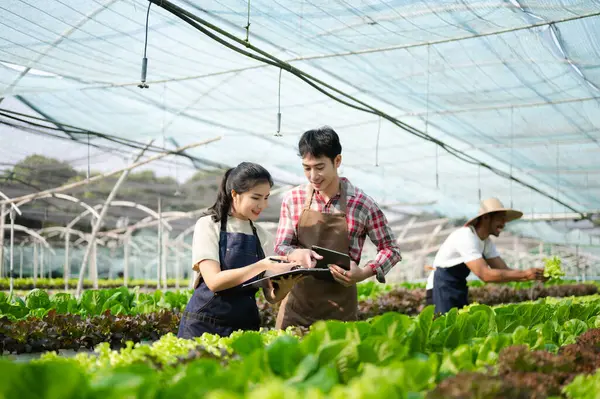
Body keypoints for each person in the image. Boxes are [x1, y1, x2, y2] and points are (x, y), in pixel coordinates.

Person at [273, 126, 403, 329]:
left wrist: (365, 272)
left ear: (337, 161)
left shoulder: (361, 204)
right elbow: (281, 246)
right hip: (296, 310)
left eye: (320, 167)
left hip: (340, 314)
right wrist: (295, 254)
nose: (313, 175)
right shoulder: (293, 199)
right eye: (307, 168)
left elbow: (391, 249)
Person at [177, 162, 302, 339]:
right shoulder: (209, 225)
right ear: (234, 194)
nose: (262, 205)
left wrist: (288, 284)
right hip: (204, 325)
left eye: (266, 198)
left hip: (244, 326)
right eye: (256, 197)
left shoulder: (261, 234)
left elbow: (271, 296)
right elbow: (214, 281)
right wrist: (262, 265)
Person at [431, 197, 546, 314]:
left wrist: (534, 275)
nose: (504, 224)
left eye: (505, 220)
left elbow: (503, 270)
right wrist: (525, 274)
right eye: (500, 218)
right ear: (486, 217)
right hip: (440, 289)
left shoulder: (486, 242)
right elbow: (485, 274)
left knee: (459, 326)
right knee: (445, 328)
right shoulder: (466, 236)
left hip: (457, 287)